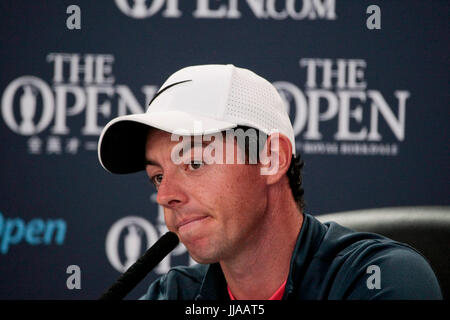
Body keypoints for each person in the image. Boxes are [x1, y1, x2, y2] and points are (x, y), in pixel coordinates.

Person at [98, 64, 442, 300]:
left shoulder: (377, 279)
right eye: (157, 177)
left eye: (195, 162)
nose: (165, 196)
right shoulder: (175, 294)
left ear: (272, 159)